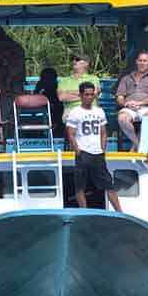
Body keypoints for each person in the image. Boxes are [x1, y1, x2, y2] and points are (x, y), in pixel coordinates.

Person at [64, 80, 121, 212]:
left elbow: (103, 132)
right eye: (86, 95)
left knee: (108, 184)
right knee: (80, 185)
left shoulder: (99, 111)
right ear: (81, 95)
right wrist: (78, 151)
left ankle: (119, 211)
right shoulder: (75, 112)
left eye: (91, 95)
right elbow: (71, 134)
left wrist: (102, 149)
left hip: (97, 153)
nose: (89, 97)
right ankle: (84, 210)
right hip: (83, 152)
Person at [115, 49, 148, 146]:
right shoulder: (127, 78)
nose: (142, 63)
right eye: (140, 60)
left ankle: (135, 148)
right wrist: (125, 103)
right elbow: (119, 96)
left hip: (147, 108)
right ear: (136, 62)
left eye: (145, 61)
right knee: (122, 119)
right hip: (129, 108)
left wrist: (140, 103)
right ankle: (137, 145)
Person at [32, 67, 64, 134]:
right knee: (57, 108)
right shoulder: (41, 84)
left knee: (57, 108)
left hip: (52, 105)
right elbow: (36, 95)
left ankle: (56, 126)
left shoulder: (43, 84)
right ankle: (57, 126)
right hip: (47, 105)